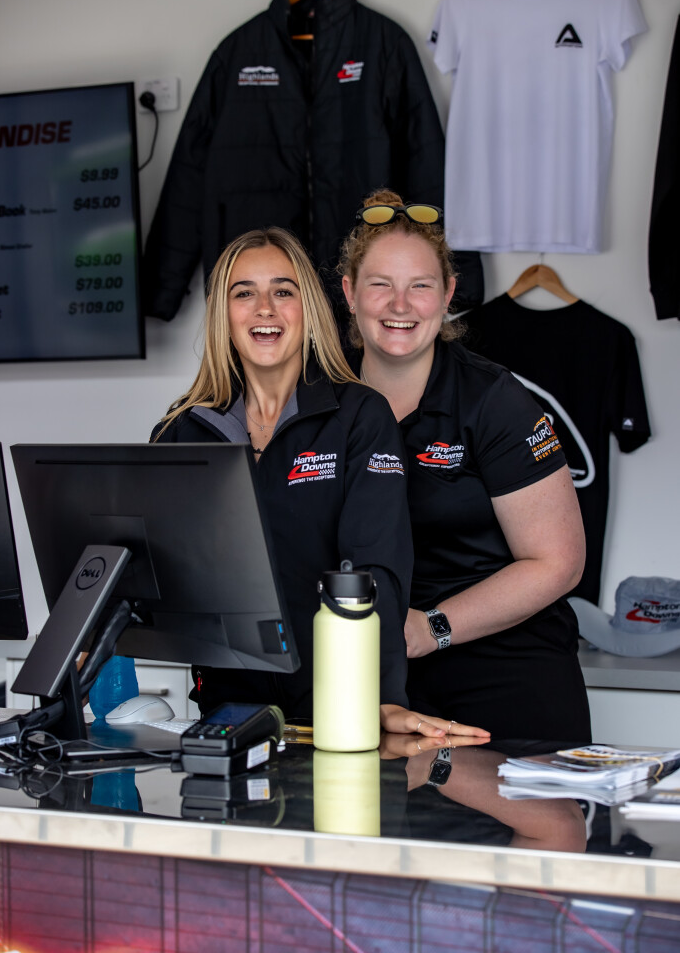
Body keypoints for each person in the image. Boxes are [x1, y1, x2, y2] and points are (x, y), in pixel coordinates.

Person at [152, 226, 489, 743]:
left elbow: (377, 568)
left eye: (283, 291)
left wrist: (380, 697)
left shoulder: (358, 416)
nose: (265, 308)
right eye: (244, 293)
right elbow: (159, 569)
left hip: (336, 703)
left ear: (307, 308)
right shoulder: (183, 431)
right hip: (226, 707)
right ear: (223, 314)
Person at [341, 190, 592, 742]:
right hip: (369, 668)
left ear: (448, 294)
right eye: (380, 284)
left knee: (531, 809)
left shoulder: (494, 401)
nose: (400, 305)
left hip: (506, 664)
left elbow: (559, 562)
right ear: (350, 293)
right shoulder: (321, 398)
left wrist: (431, 627)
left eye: (420, 286)